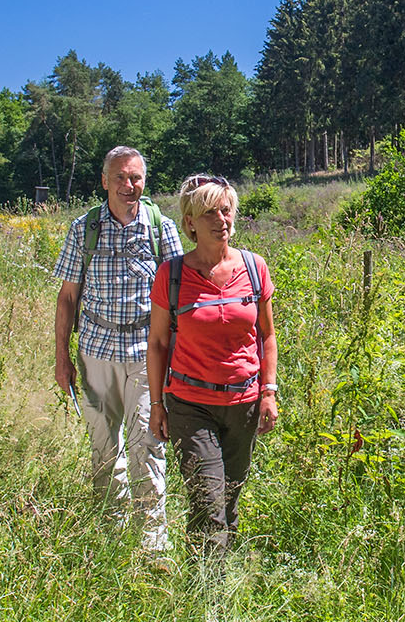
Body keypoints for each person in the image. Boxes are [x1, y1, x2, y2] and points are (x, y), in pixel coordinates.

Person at [51, 146, 183, 554]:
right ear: (105, 181)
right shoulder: (84, 228)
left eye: (136, 178)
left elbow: (182, 295)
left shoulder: (161, 227)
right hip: (95, 351)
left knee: (148, 446)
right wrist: (62, 358)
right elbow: (68, 298)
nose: (130, 186)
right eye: (121, 178)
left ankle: (151, 546)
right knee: (104, 448)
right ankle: (109, 534)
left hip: (148, 353)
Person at [147, 174, 279, 554]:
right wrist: (157, 404)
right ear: (189, 222)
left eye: (226, 210)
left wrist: (268, 392)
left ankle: (221, 580)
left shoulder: (254, 267)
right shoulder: (171, 274)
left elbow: (266, 336)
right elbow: (157, 343)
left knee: (230, 497)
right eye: (210, 213)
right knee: (207, 502)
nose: (222, 220)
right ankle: (209, 595)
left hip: (244, 403)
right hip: (191, 404)